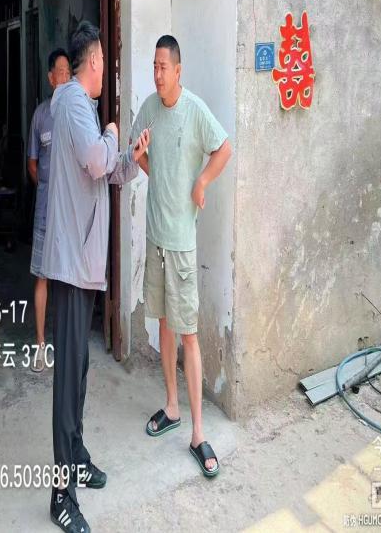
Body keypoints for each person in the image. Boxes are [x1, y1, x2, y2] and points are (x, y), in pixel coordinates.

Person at [42, 21, 150, 533]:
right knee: (68, 381)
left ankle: (77, 455)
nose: (106, 68)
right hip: (70, 267)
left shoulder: (80, 108)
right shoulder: (72, 102)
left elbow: (107, 170)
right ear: (95, 63)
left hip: (82, 267)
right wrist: (110, 135)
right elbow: (93, 159)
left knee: (80, 370)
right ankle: (60, 494)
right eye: (104, 60)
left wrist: (132, 157)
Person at [132, 34, 232, 479]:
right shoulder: (149, 109)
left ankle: (197, 432)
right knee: (164, 325)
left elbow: (224, 148)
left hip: (181, 244)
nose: (157, 74)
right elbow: (140, 153)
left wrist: (201, 182)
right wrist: (142, 160)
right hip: (155, 236)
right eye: (153, 66)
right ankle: (171, 407)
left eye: (163, 67)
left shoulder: (194, 110)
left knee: (188, 333)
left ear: (178, 70)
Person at [27, 48, 71, 373]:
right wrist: (46, 187)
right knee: (42, 276)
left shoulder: (77, 114)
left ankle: (66, 344)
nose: (65, 76)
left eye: (69, 71)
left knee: (67, 280)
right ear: (51, 78)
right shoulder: (41, 115)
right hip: (45, 209)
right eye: (61, 71)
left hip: (70, 213)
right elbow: (32, 163)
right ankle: (41, 345)